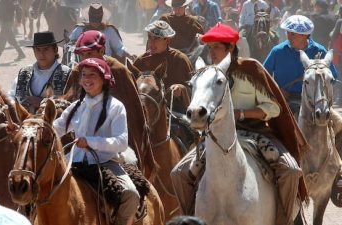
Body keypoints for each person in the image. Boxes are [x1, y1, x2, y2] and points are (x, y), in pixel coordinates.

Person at [170, 23, 309, 225]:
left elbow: (274, 108)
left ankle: (284, 220)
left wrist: (242, 114)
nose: (212, 53)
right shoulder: (207, 74)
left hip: (255, 133)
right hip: (216, 136)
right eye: (210, 48)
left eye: (217, 47)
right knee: (179, 174)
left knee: (290, 170)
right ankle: (191, 219)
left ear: (230, 49)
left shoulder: (250, 70)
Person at [53, 58, 140, 225]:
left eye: (92, 75)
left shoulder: (116, 107)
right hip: (73, 162)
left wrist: (90, 142)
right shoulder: (75, 107)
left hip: (104, 163)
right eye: (84, 75)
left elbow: (121, 142)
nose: (87, 79)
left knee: (131, 194)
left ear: (104, 78)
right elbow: (56, 129)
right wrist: (29, 128)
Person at [64, 30, 156, 178]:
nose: (84, 59)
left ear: (102, 50)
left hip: (114, 147)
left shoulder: (119, 71)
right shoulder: (78, 71)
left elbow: (135, 116)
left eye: (89, 54)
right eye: (81, 55)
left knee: (131, 189)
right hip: (79, 145)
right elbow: (68, 104)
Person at [263, 15, 338, 115]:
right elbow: (263, 75)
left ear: (304, 35)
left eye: (293, 34)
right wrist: (276, 90)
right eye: (287, 33)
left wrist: (321, 95)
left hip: (314, 103)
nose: (289, 37)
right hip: (282, 100)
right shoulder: (277, 51)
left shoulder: (319, 51)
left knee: (335, 124)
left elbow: (333, 77)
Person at [133, 20, 193, 113]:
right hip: (146, 112)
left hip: (174, 111)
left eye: (156, 38)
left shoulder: (180, 59)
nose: (151, 42)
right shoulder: (141, 60)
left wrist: (180, 89)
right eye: (150, 37)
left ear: (168, 40)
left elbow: (192, 88)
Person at [7, 31, 71, 113]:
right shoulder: (25, 72)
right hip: (24, 123)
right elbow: (11, 96)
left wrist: (43, 102)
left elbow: (72, 104)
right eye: (38, 50)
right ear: (34, 51)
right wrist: (18, 106)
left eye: (46, 49)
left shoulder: (67, 74)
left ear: (55, 50)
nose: (41, 54)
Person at [69, 3, 136, 62]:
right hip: (83, 65)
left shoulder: (109, 30)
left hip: (106, 64)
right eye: (93, 18)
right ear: (89, 16)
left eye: (97, 18)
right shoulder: (80, 29)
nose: (95, 22)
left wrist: (129, 55)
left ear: (101, 17)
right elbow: (69, 46)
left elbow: (119, 48)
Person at [0, 0, 25, 64]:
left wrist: (19, 21)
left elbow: (19, 9)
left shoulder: (14, 1)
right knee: (11, 40)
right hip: (2, 21)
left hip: (8, 22)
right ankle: (21, 54)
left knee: (2, 38)